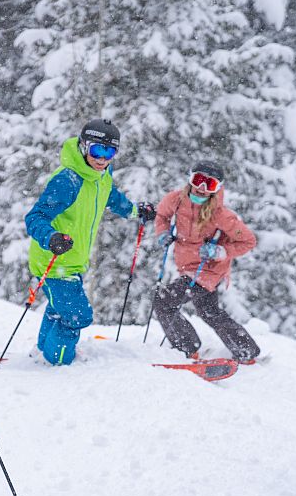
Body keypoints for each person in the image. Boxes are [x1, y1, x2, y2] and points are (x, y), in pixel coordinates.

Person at [24, 118, 155, 365]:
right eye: (97, 149)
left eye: (110, 151)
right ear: (84, 146)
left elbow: (112, 198)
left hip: (73, 260)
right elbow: (35, 217)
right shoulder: (69, 180)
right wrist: (50, 238)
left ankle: (43, 351)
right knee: (77, 315)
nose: (103, 158)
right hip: (53, 261)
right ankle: (59, 361)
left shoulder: (101, 177)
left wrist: (136, 211)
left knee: (59, 307)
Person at [150, 160, 260, 363]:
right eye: (198, 180)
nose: (201, 188)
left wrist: (221, 251)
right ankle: (246, 350)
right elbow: (162, 216)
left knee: (164, 302)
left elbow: (248, 241)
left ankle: (187, 348)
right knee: (208, 311)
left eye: (208, 184)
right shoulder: (175, 200)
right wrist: (163, 233)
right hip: (187, 266)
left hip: (208, 269)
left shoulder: (221, 215)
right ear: (190, 179)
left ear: (216, 188)